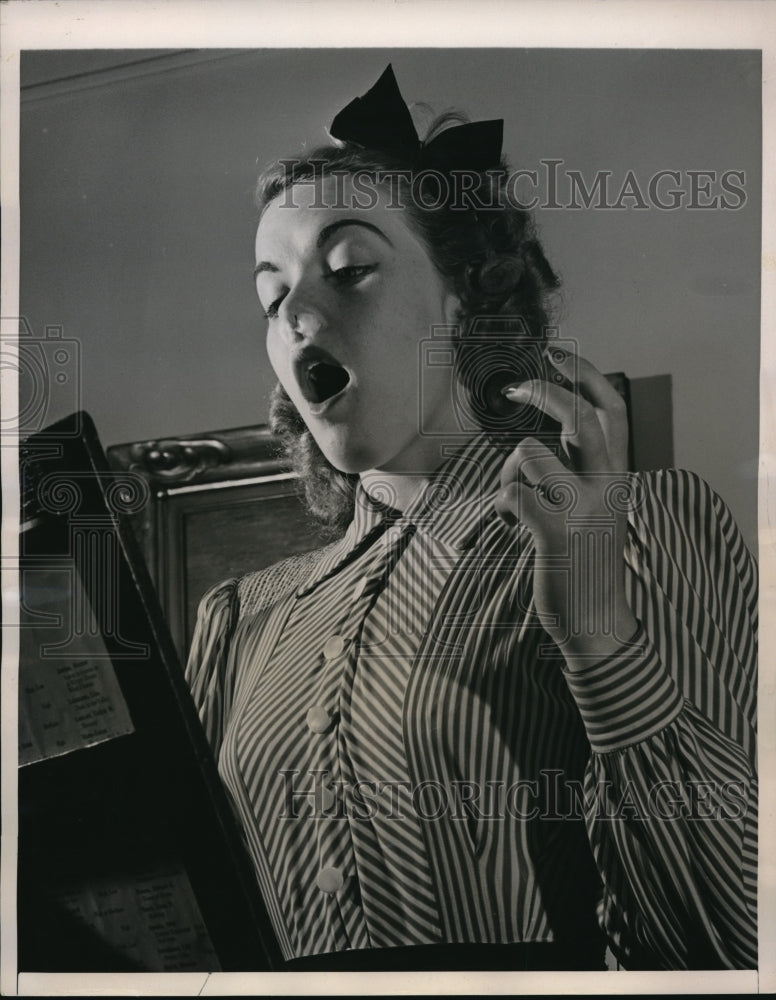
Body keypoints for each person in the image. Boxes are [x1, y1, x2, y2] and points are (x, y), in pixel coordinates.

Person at [185, 66, 757, 971]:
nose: (297, 314)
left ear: (463, 302)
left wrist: (601, 638)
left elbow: (736, 938)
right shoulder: (237, 623)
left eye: (349, 270)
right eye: (271, 294)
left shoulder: (646, 526)